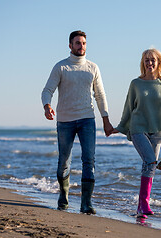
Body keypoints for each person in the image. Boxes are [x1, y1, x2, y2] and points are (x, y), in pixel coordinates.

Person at [41, 30, 113, 214]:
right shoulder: (61, 67)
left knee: (89, 160)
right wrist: (47, 106)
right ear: (70, 46)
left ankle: (86, 203)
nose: (81, 46)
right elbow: (47, 90)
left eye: (83, 43)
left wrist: (105, 119)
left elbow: (100, 95)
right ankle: (63, 197)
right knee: (64, 161)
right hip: (65, 120)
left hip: (87, 119)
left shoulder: (93, 68)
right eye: (77, 43)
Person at [111, 48, 161, 218]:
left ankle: (141, 206)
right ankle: (144, 202)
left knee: (149, 166)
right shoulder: (136, 83)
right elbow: (129, 107)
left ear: (158, 63)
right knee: (151, 161)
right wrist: (120, 127)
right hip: (138, 129)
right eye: (146, 60)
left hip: (157, 131)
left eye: (152, 60)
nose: (149, 63)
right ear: (142, 63)